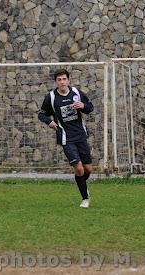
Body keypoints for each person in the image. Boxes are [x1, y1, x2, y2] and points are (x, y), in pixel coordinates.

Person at [38, 69, 94, 208]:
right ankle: (85, 198)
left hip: (81, 135)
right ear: (56, 82)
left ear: (68, 80)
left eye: (64, 79)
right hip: (65, 138)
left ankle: (80, 182)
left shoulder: (76, 93)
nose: (62, 82)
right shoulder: (51, 97)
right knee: (79, 169)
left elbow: (90, 107)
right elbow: (41, 114)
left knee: (88, 169)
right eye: (59, 80)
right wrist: (49, 122)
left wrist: (83, 106)